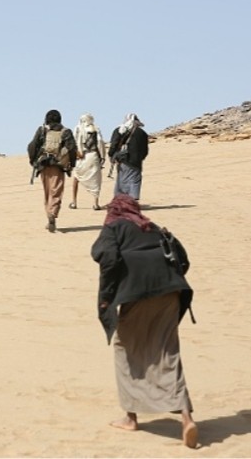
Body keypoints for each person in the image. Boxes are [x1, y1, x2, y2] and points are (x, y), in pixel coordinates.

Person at [91, 194, 197, 449]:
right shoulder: (154, 228)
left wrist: (106, 299)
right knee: (167, 352)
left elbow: (108, 258)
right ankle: (186, 419)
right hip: (171, 291)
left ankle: (130, 417)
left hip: (137, 293)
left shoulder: (113, 227)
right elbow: (183, 258)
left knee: (125, 349)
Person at [27, 109, 78, 232]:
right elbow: (72, 149)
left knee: (47, 192)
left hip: (44, 164)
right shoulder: (66, 132)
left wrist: (33, 161)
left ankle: (49, 216)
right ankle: (53, 213)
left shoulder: (42, 130)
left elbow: (32, 146)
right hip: (58, 166)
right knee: (56, 191)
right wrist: (72, 164)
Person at [108, 113, 149, 201]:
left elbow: (113, 145)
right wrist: (141, 157)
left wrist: (112, 155)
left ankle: (121, 201)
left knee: (122, 180)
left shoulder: (119, 130)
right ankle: (132, 201)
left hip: (122, 160)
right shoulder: (142, 133)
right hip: (136, 162)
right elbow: (145, 150)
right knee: (134, 180)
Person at [69, 113, 106, 210]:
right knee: (96, 180)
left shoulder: (78, 128)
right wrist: (102, 157)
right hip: (93, 156)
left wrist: (75, 154)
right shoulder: (96, 129)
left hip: (81, 156)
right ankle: (95, 203)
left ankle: (74, 202)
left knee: (76, 178)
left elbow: (73, 142)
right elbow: (100, 142)